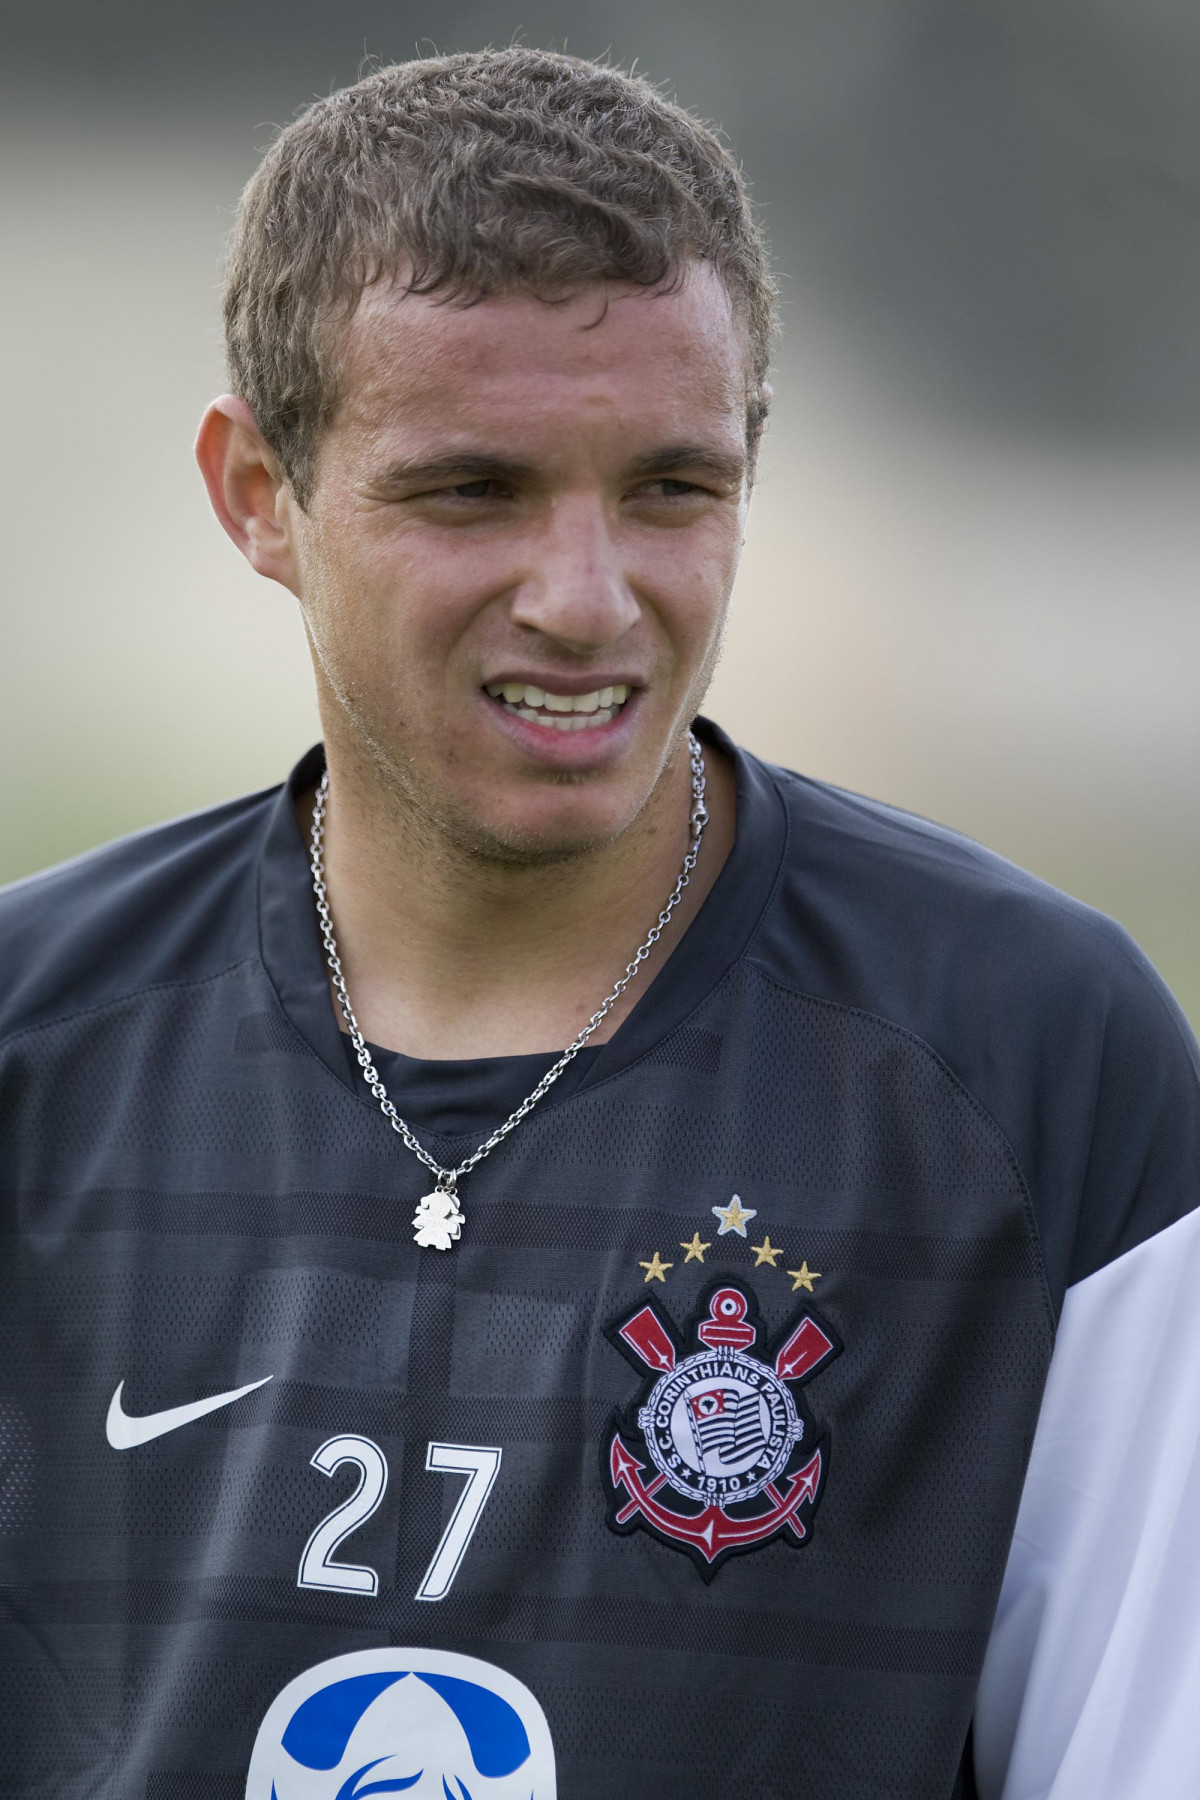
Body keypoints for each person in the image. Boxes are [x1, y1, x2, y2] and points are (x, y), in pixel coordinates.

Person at [1, 47, 1197, 1800]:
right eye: (471, 490)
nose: (587, 598)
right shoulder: (34, 1046)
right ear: (260, 493)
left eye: (670, 488)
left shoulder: (1035, 1064)